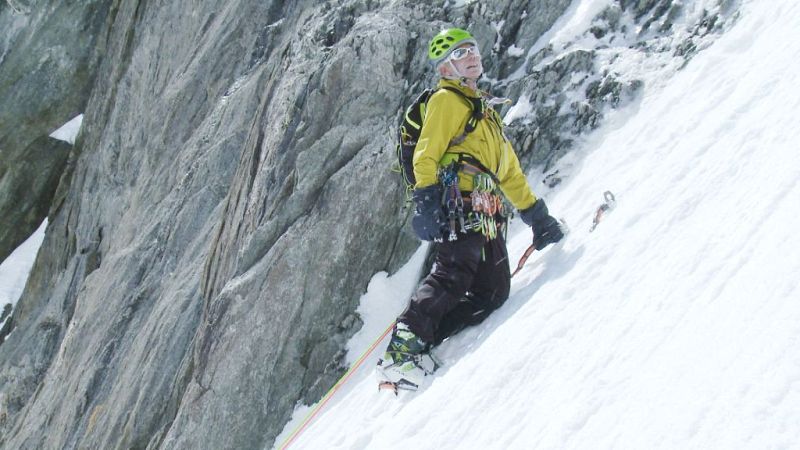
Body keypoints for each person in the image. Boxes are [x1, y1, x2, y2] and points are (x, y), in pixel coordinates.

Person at [378, 28, 564, 389]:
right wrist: (427, 199)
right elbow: (426, 154)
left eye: (473, 49)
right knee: (452, 273)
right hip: (457, 201)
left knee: (492, 293)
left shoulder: (486, 114)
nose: (472, 56)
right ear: (446, 69)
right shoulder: (446, 101)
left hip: (487, 208)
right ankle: (398, 355)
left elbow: (508, 171)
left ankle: (423, 340)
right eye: (461, 53)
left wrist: (536, 216)